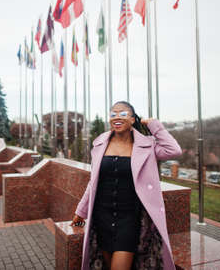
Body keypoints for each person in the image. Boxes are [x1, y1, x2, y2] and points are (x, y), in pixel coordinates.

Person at [71, 101, 182, 270]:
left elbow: (174, 150)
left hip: (129, 219)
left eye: (122, 114)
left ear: (132, 119)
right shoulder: (100, 144)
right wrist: (80, 212)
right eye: (113, 114)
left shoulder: (147, 145)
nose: (116, 117)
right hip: (102, 217)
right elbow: (93, 183)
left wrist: (154, 125)